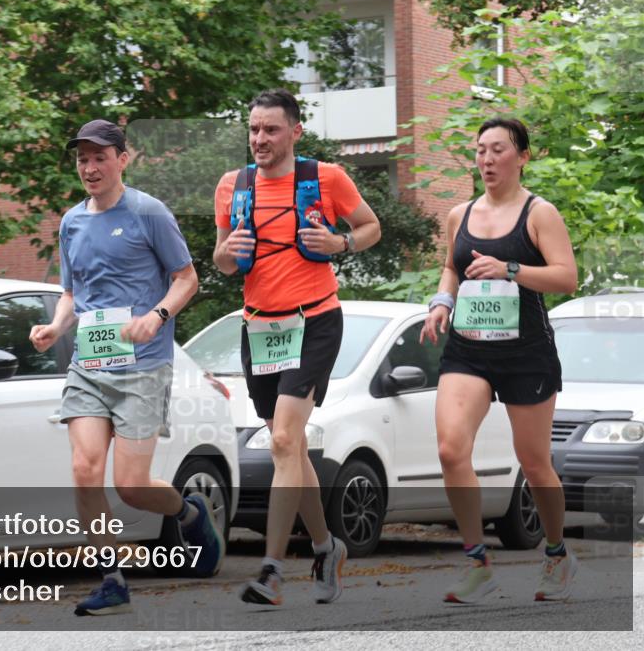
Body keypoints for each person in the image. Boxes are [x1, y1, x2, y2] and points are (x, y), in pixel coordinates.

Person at [30, 119, 224, 616]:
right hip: (91, 363)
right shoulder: (72, 221)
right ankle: (111, 577)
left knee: (132, 486)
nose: (90, 167)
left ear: (123, 158)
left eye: (100, 157)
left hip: (143, 365)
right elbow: (72, 293)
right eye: (82, 159)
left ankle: (187, 511)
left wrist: (156, 316)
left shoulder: (148, 212)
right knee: (83, 469)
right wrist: (55, 326)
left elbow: (187, 279)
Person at [213, 89, 381, 606]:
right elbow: (221, 260)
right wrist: (227, 253)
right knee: (292, 448)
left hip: (315, 321)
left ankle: (271, 569)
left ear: (294, 132)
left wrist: (342, 244)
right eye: (254, 129)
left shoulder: (325, 178)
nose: (260, 139)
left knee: (285, 440)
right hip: (260, 326)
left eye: (271, 129)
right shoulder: (231, 186)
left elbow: (372, 226)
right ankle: (328, 546)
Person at [420, 117, 578, 603]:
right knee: (450, 450)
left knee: (533, 464)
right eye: (481, 150)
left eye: (498, 150)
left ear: (522, 157)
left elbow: (567, 278)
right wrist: (442, 302)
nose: (487, 160)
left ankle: (555, 552)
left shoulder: (539, 213)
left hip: (525, 351)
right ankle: (476, 563)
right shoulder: (459, 214)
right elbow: (452, 266)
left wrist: (511, 268)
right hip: (469, 348)